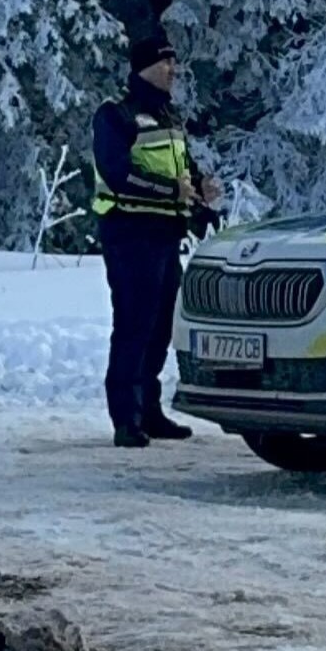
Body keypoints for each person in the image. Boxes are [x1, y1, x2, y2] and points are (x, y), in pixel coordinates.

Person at [91, 35, 220, 448]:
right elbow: (117, 173)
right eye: (165, 64)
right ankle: (125, 418)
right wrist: (171, 192)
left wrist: (201, 190)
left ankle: (150, 408)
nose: (173, 70)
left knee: (161, 324)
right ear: (144, 68)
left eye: (175, 64)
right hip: (130, 234)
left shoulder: (170, 117)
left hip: (165, 236)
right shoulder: (116, 114)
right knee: (134, 324)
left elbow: (183, 171)